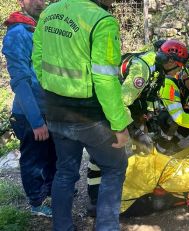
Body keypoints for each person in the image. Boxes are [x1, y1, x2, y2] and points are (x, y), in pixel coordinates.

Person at [32, 0, 133, 230]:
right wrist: (119, 125)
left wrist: (54, 93)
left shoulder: (48, 13)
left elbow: (37, 61)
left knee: (65, 171)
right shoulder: (101, 20)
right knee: (115, 167)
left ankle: (62, 227)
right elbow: (106, 79)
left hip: (55, 111)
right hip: (90, 116)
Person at [87, 39, 189, 217]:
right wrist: (134, 131)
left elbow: (149, 95)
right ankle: (95, 200)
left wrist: (150, 118)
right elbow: (121, 103)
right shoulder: (143, 69)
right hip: (108, 107)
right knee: (104, 153)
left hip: (126, 107)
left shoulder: (159, 68)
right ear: (171, 61)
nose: (180, 71)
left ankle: (135, 186)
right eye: (179, 66)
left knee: (139, 148)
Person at [2, 0, 56, 217]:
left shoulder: (40, 28)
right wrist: (36, 121)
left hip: (49, 108)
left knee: (52, 156)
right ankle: (37, 203)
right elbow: (21, 81)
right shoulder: (17, 33)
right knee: (33, 161)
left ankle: (53, 194)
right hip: (29, 113)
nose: (39, 1)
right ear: (21, 2)